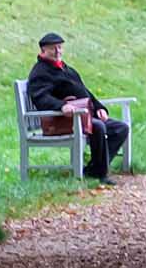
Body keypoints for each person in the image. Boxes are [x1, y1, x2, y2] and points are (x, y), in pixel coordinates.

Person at [26, 33, 130, 183]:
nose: (58, 51)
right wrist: (62, 106)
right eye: (53, 48)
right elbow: (41, 97)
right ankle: (100, 173)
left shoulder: (66, 68)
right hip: (63, 120)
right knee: (98, 127)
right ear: (43, 51)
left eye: (60, 47)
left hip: (85, 116)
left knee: (120, 128)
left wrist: (99, 107)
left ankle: (94, 168)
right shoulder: (40, 72)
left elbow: (85, 91)